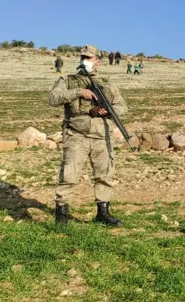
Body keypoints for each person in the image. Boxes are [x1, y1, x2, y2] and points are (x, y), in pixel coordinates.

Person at [48, 45, 127, 227]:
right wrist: (77, 92)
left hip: (101, 136)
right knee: (69, 175)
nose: (85, 60)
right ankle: (61, 217)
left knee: (105, 175)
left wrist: (107, 111)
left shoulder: (107, 84)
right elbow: (53, 98)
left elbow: (122, 107)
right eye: (83, 56)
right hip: (77, 135)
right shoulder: (68, 81)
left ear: (98, 61)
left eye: (89, 57)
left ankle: (103, 213)